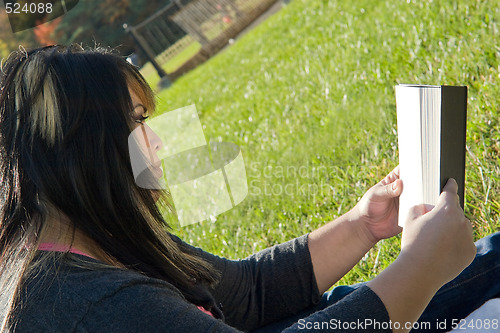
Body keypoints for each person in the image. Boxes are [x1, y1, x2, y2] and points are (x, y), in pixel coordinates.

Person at [0, 44, 488, 333]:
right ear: (89, 153)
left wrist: (362, 226)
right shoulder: (85, 305)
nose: (158, 138)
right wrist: (420, 269)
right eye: (136, 121)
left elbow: (248, 293)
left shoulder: (94, 238)